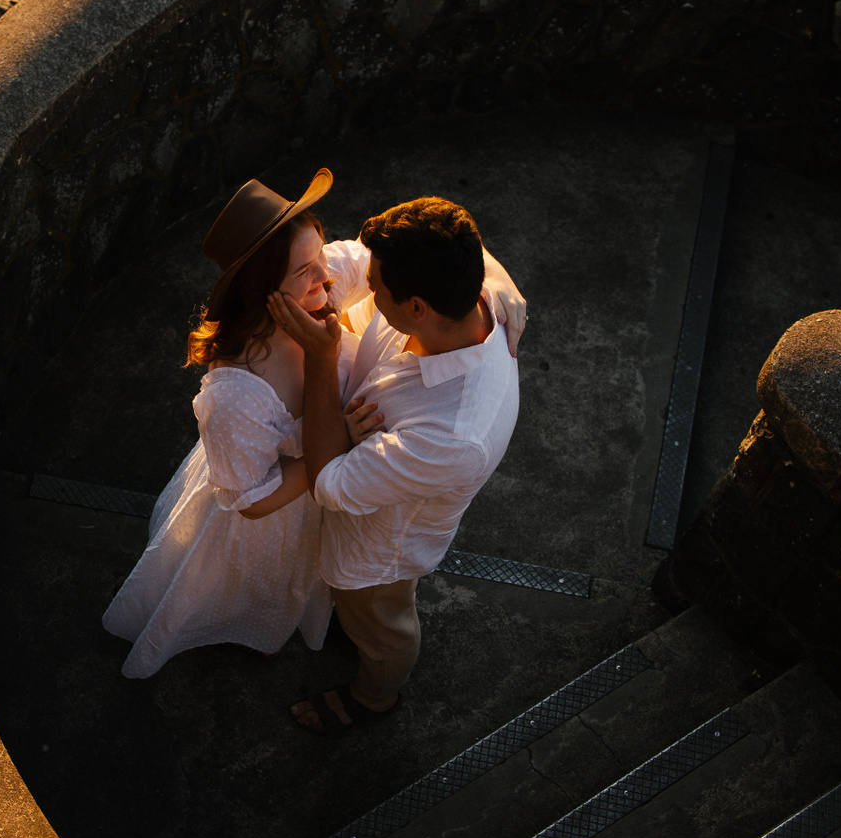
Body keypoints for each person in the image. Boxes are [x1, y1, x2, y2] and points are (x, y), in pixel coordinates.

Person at [104, 172, 526, 684]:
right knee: (246, 585)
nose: (331, 278)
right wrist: (342, 438)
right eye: (307, 268)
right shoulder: (235, 392)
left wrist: (496, 282)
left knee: (299, 590)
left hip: (331, 509)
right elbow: (251, 501)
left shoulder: (323, 292)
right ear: (262, 289)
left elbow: (437, 253)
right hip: (270, 516)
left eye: (322, 258)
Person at [268, 196, 522, 734]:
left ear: (417, 308)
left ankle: (375, 694)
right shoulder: (463, 293)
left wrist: (320, 359)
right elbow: (464, 244)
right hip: (371, 494)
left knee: (382, 627)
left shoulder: (455, 436)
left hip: (378, 550)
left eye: (376, 287)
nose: (363, 288)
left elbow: (329, 484)